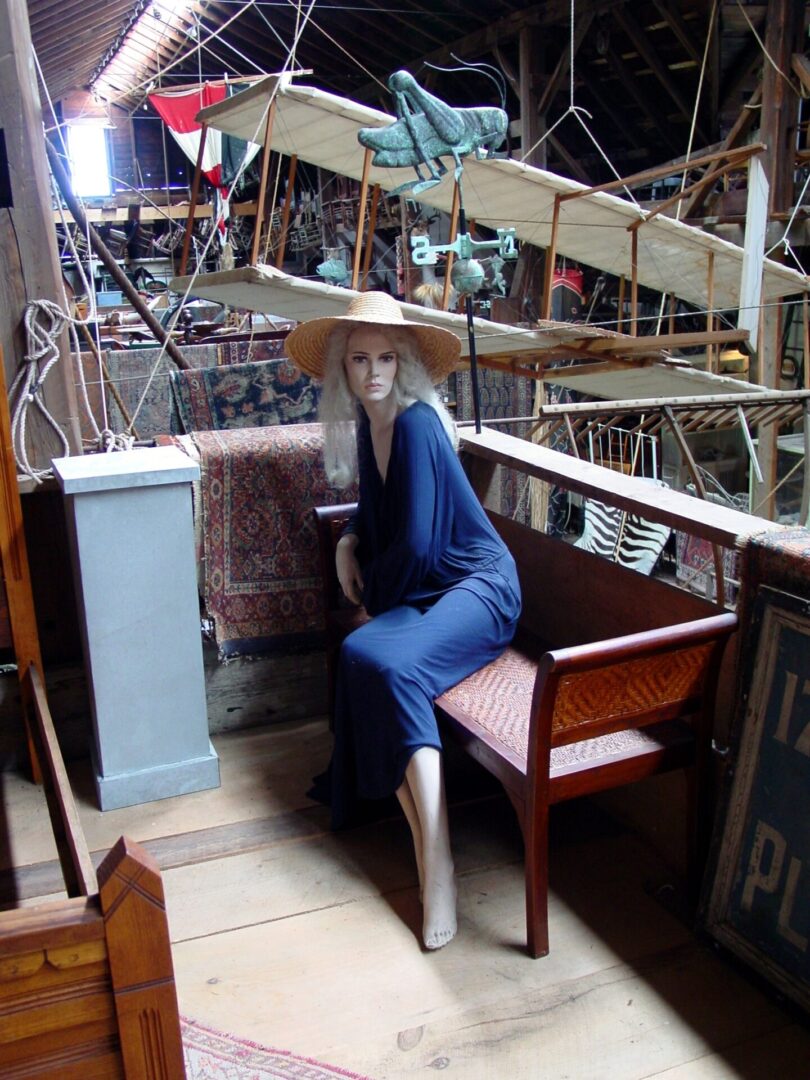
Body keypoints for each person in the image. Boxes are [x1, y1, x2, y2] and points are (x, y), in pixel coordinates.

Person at [285, 291, 521, 950]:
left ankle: (437, 862)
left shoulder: (416, 425)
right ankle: (424, 841)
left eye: (386, 358)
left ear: (405, 363)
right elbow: (375, 506)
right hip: (427, 590)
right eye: (359, 360)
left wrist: (372, 599)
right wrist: (347, 541)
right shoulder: (369, 423)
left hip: (478, 588)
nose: (373, 373)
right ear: (343, 370)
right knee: (364, 658)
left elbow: (417, 543)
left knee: (388, 661)